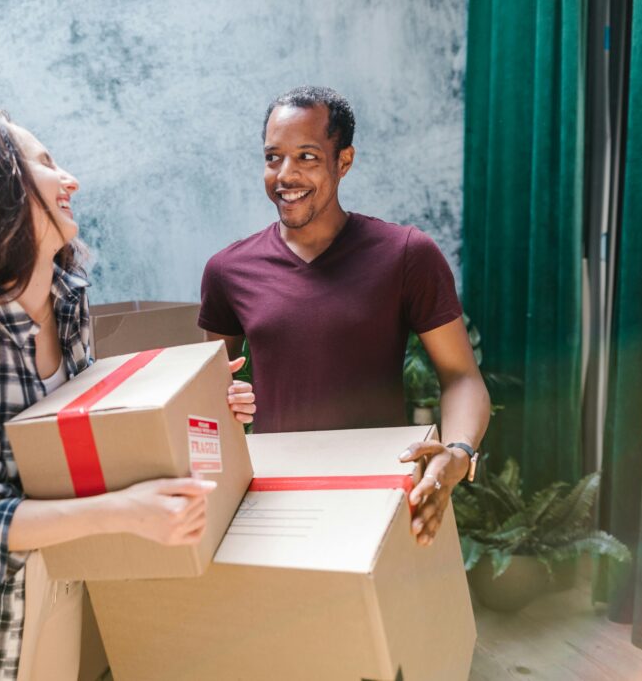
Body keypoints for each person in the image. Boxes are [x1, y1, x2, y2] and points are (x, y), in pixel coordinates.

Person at [0, 109, 256, 680]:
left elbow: (89, 440)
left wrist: (205, 414)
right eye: (47, 163)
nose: (70, 180)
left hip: (56, 588)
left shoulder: (67, 303)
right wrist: (126, 512)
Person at [199, 86, 489, 547]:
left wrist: (458, 453)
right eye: (273, 157)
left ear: (344, 161)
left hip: (377, 492)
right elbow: (205, 396)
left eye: (308, 157)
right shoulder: (227, 271)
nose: (285, 175)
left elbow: (461, 377)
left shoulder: (406, 254)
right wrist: (222, 401)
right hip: (273, 499)